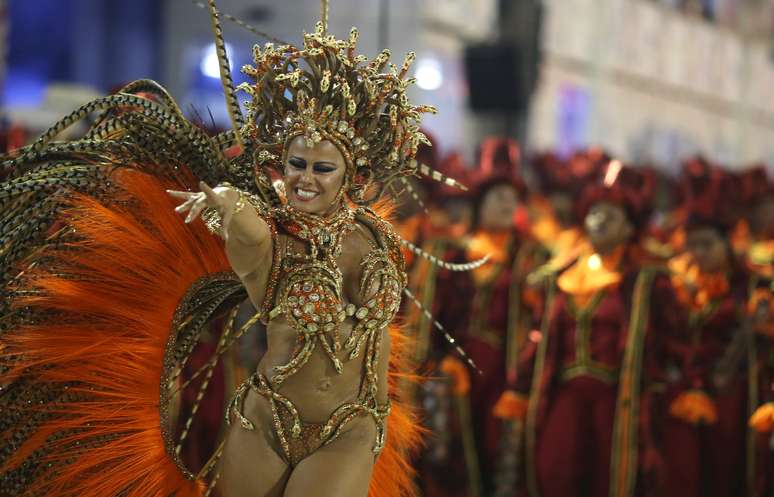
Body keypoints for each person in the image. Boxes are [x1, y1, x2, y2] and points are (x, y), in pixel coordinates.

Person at [0, 4, 469, 496]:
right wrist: (223, 200)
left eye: (321, 168)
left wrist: (383, 417)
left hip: (350, 428)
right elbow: (246, 226)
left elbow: (386, 339)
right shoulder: (273, 236)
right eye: (296, 163)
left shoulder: (379, 239)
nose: (305, 179)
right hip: (266, 419)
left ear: (353, 173)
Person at [507, 161, 686, 497]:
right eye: (595, 213)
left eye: (611, 215)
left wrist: (678, 386)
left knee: (608, 479)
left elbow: (673, 341)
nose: (600, 220)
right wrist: (519, 385)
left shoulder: (647, 280)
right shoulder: (563, 273)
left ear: (630, 228)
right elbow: (541, 335)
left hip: (618, 401)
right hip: (566, 395)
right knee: (553, 470)